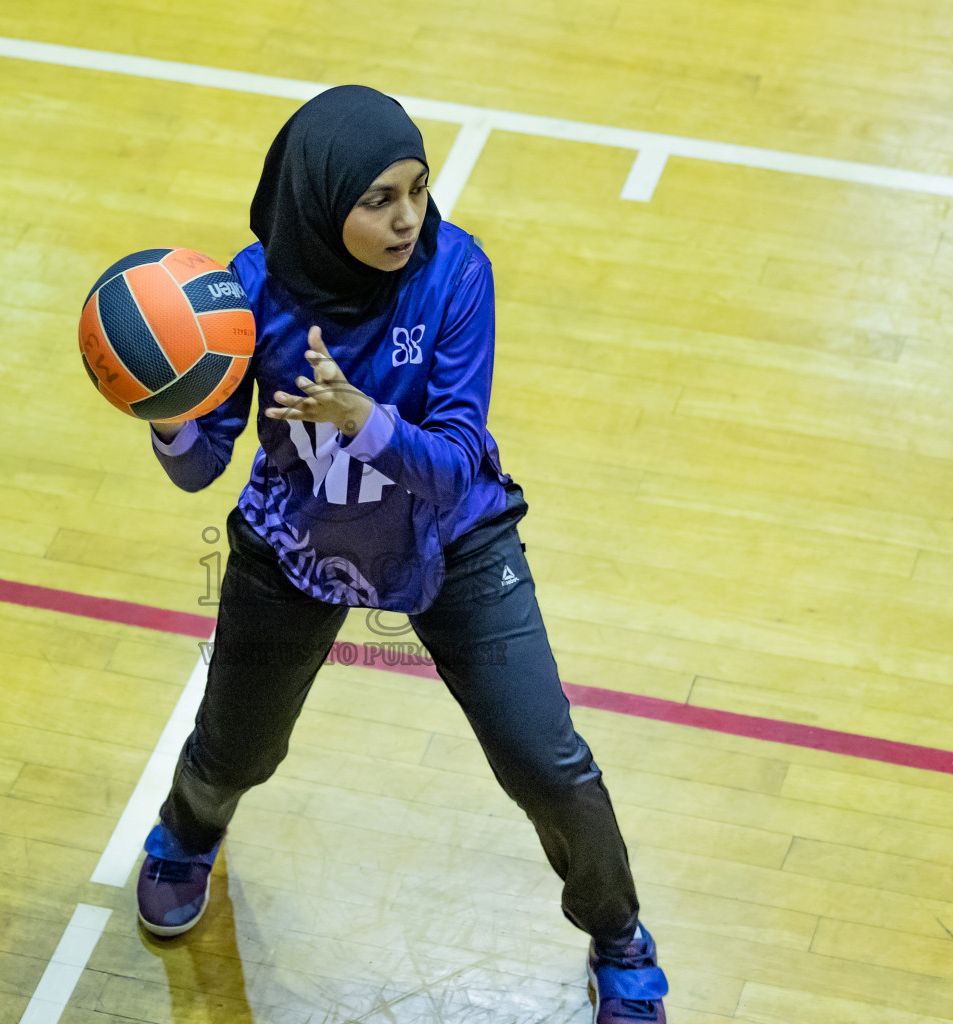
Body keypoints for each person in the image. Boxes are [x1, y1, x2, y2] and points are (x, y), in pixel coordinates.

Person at [135, 84, 668, 1024]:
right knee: (236, 749)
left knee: (546, 763)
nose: (407, 217)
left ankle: (618, 934)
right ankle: (189, 829)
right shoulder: (248, 290)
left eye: (417, 189)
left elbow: (459, 468)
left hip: (452, 541)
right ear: (318, 198)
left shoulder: (455, 274)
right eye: (378, 198)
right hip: (301, 540)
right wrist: (172, 415)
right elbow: (201, 465)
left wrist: (363, 421)